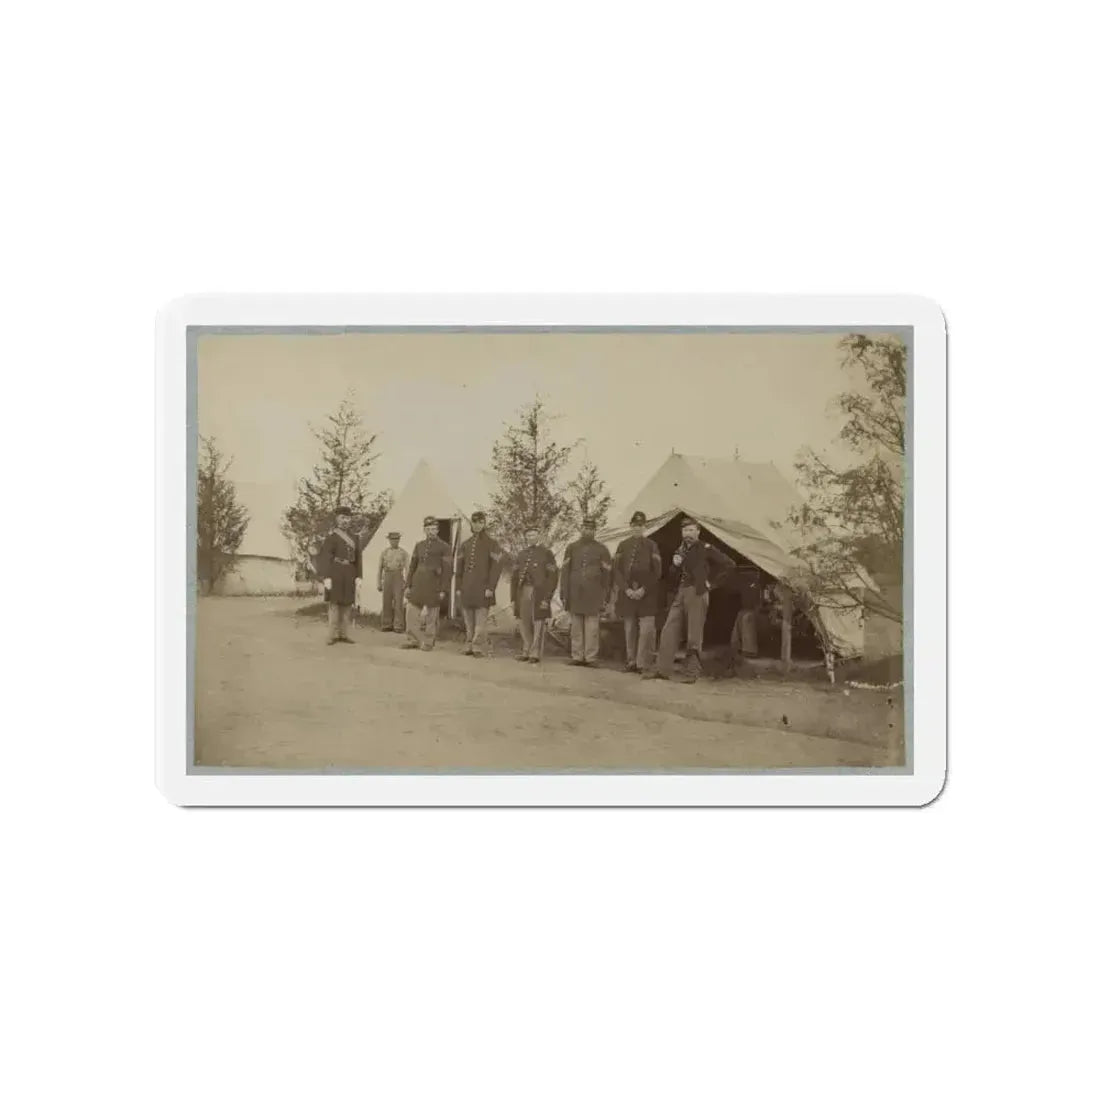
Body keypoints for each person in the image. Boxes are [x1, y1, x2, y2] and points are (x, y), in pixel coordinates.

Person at [646, 517, 738, 683]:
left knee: (694, 633)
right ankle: (662, 669)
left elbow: (729, 564)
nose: (687, 534)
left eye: (691, 530)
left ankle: (692, 673)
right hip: (681, 592)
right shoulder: (680, 550)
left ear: (698, 531)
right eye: (685, 531)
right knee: (669, 629)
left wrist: (711, 583)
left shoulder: (706, 548)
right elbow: (672, 576)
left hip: (698, 592)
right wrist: (674, 565)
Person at [613, 510, 663, 673]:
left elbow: (657, 572)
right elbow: (616, 571)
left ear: (645, 527)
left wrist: (644, 589)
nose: (637, 529)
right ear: (630, 526)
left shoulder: (652, 545)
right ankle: (631, 662)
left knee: (647, 630)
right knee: (630, 629)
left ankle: (644, 664)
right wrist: (626, 589)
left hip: (646, 595)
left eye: (640, 526)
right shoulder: (622, 545)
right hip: (627, 594)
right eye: (634, 525)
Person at [559, 516, 612, 667]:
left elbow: (608, 574)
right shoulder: (571, 547)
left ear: (594, 531)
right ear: (581, 529)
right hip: (575, 593)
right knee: (576, 626)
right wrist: (564, 591)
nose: (587, 531)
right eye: (585, 528)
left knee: (592, 627)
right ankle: (577, 656)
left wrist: (605, 594)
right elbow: (565, 571)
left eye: (590, 528)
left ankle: (590, 657)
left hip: (594, 594)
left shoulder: (602, 549)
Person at [455, 511, 506, 658]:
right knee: (468, 620)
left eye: (480, 522)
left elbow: (496, 568)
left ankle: (478, 647)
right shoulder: (466, 544)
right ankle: (469, 645)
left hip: (483, 589)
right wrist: (459, 587)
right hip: (467, 588)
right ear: (471, 523)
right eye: (474, 522)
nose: (477, 525)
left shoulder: (492, 544)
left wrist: (491, 587)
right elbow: (459, 569)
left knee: (481, 622)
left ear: (484, 524)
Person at [401, 516, 453, 652]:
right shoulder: (419, 545)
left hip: (434, 584)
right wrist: (408, 585)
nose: (431, 531)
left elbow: (448, 571)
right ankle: (413, 640)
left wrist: (443, 589)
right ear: (424, 530)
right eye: (428, 529)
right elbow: (412, 566)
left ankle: (429, 642)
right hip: (418, 583)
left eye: (434, 529)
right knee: (411, 613)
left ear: (437, 530)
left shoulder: (445, 547)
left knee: (432, 616)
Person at [510, 525, 558, 664]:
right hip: (523, 591)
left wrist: (548, 596)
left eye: (533, 535)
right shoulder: (521, 554)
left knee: (538, 622)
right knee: (523, 621)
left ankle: (535, 653)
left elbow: (553, 576)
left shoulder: (546, 553)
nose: (531, 537)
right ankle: (526, 650)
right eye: (528, 535)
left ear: (539, 536)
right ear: (526, 537)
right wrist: (513, 596)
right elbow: (515, 576)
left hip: (539, 592)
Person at [319, 505, 361, 645]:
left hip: (349, 572)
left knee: (347, 604)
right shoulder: (332, 538)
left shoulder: (355, 538)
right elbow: (325, 558)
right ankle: (332, 635)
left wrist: (359, 576)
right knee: (334, 604)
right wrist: (326, 577)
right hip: (335, 572)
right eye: (342, 518)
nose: (345, 521)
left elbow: (358, 558)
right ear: (337, 519)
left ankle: (344, 634)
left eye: (348, 518)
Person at [376, 531, 409, 633]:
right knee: (386, 601)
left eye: (396, 539)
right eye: (392, 539)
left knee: (398, 602)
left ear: (399, 540)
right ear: (389, 540)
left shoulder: (403, 553)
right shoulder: (384, 552)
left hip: (398, 576)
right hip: (387, 576)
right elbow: (379, 569)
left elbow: (407, 569)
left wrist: (406, 583)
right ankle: (386, 624)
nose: (394, 541)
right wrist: (379, 583)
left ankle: (398, 626)